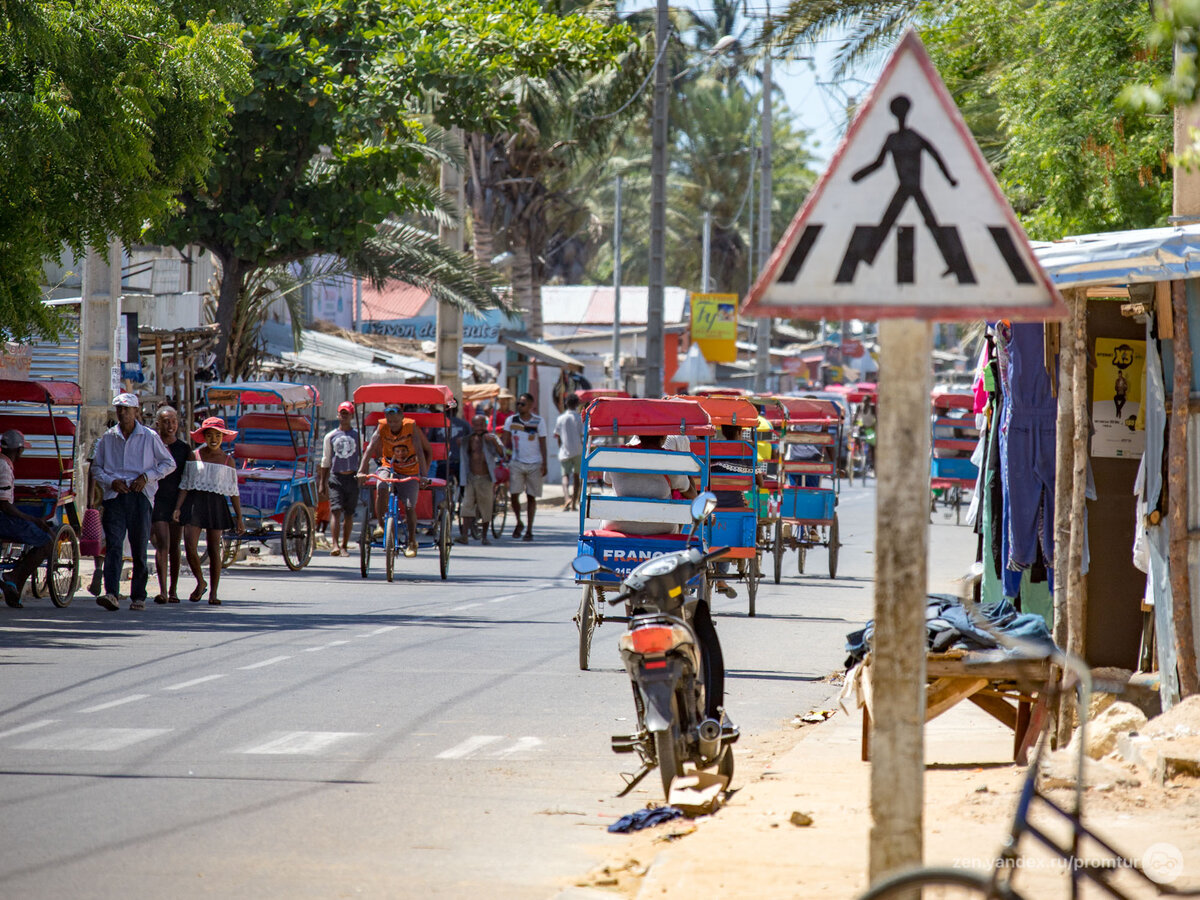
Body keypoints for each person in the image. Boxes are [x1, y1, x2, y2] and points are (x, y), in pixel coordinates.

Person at [91, 393, 178, 611]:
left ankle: (138, 595)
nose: (123, 413)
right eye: (119, 409)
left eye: (127, 409)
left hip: (141, 496)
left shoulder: (149, 436)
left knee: (139, 546)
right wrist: (112, 481)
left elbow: (169, 463)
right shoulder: (108, 437)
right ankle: (111, 592)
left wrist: (147, 477)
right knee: (114, 545)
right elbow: (96, 468)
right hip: (116, 496)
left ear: (136, 411)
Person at [173, 416, 244, 605]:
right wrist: (178, 508)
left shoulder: (228, 461)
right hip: (194, 503)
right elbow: (185, 485)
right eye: (210, 435)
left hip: (216, 505)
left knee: (214, 549)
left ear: (223, 437)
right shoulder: (194, 456)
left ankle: (214, 593)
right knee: (189, 546)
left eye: (218, 435)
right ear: (203, 436)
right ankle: (200, 581)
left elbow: (233, 491)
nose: (214, 439)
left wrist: (239, 517)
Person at [358, 404, 428, 559]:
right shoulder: (382, 426)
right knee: (381, 485)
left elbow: (419, 450)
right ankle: (381, 525)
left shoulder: (410, 426)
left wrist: (423, 475)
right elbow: (370, 448)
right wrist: (362, 470)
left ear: (402, 418)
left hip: (410, 470)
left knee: (410, 506)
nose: (393, 425)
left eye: (396, 422)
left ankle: (411, 541)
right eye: (390, 422)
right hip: (389, 466)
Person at [0, 430, 55, 608]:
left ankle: (13, 585)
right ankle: (13, 577)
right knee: (46, 542)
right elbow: (5, 506)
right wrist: (32, 519)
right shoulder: (4, 468)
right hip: (4, 519)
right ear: (20, 451)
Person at [601, 434, 696, 534]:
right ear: (664, 437)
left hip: (616, 522)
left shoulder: (618, 455)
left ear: (637, 436)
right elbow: (687, 490)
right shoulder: (670, 459)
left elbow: (607, 481)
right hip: (661, 526)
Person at [150, 405, 190, 603]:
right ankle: (162, 590)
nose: (170, 425)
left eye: (173, 421)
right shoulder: (151, 446)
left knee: (175, 546)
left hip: (177, 502)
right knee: (162, 544)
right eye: (166, 421)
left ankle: (173, 591)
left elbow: (187, 481)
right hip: (156, 500)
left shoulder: (184, 449)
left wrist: (179, 506)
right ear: (158, 424)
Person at [318, 401, 361, 557]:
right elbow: (326, 460)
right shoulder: (330, 436)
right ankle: (334, 545)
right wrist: (322, 483)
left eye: (347, 414)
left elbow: (364, 458)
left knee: (349, 513)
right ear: (338, 415)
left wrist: (363, 477)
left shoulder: (358, 436)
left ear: (351, 416)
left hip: (353, 477)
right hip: (336, 478)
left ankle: (344, 546)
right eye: (341, 413)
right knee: (335, 510)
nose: (344, 416)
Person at [503, 392, 547, 542]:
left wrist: (545, 463)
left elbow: (543, 443)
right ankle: (518, 522)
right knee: (514, 495)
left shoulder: (539, 421)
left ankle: (529, 529)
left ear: (530, 406)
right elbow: (505, 441)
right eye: (518, 404)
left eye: (523, 404)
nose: (520, 406)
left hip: (535, 463)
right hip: (516, 462)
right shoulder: (511, 420)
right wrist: (503, 454)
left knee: (531, 497)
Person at [456, 415, 506, 545]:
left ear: (485, 425)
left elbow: (502, 453)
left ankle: (484, 536)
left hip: (485, 478)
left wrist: (494, 442)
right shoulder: (468, 439)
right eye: (476, 425)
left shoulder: (492, 438)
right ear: (472, 426)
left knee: (486, 507)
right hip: (470, 477)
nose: (479, 428)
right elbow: (461, 449)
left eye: (482, 425)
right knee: (466, 505)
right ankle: (464, 535)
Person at [553, 394, 584, 511]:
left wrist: (561, 448)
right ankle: (573, 505)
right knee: (576, 477)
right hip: (578, 450)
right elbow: (583, 435)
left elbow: (557, 436)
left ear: (566, 404)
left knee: (565, 476)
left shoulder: (561, 419)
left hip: (565, 450)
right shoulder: (580, 418)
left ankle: (567, 498)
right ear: (577, 404)